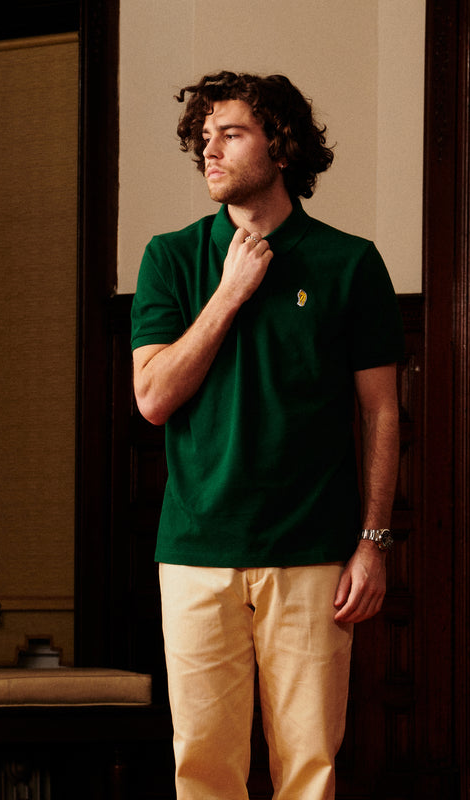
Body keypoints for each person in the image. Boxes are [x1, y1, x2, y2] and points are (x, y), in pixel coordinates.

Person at [130, 71, 404, 800]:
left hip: (312, 553)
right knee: (204, 768)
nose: (210, 150)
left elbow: (382, 412)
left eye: (231, 133)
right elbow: (152, 398)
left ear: (280, 147)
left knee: (310, 768)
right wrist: (228, 294)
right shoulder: (171, 257)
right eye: (204, 136)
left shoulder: (350, 263)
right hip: (196, 552)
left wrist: (374, 543)